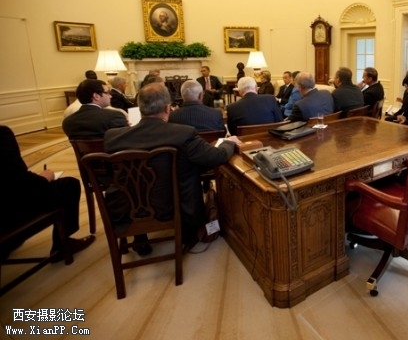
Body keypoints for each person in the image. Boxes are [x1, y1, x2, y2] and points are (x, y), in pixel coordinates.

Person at [104, 83, 241, 248]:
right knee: (190, 171)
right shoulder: (183, 134)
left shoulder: (112, 138)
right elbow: (216, 157)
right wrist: (228, 142)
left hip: (127, 210)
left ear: (139, 108)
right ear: (168, 108)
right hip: (175, 208)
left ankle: (140, 235)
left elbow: (110, 176)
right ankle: (189, 233)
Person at [0, 125, 95, 262]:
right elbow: (20, 183)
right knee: (69, 185)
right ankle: (62, 245)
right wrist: (45, 177)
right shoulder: (2, 135)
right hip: (10, 213)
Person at [62, 79, 129, 139]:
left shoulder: (67, 122)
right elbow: (125, 139)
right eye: (107, 92)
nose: (110, 96)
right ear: (96, 96)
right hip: (112, 152)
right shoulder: (114, 116)